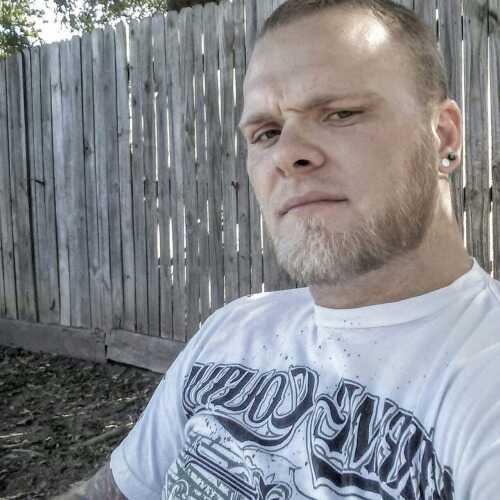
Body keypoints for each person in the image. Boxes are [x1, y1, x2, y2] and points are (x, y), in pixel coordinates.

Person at [55, 0, 500, 498]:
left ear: (442, 136)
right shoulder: (233, 329)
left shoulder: (485, 377)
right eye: (266, 132)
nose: (287, 155)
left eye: (341, 113)